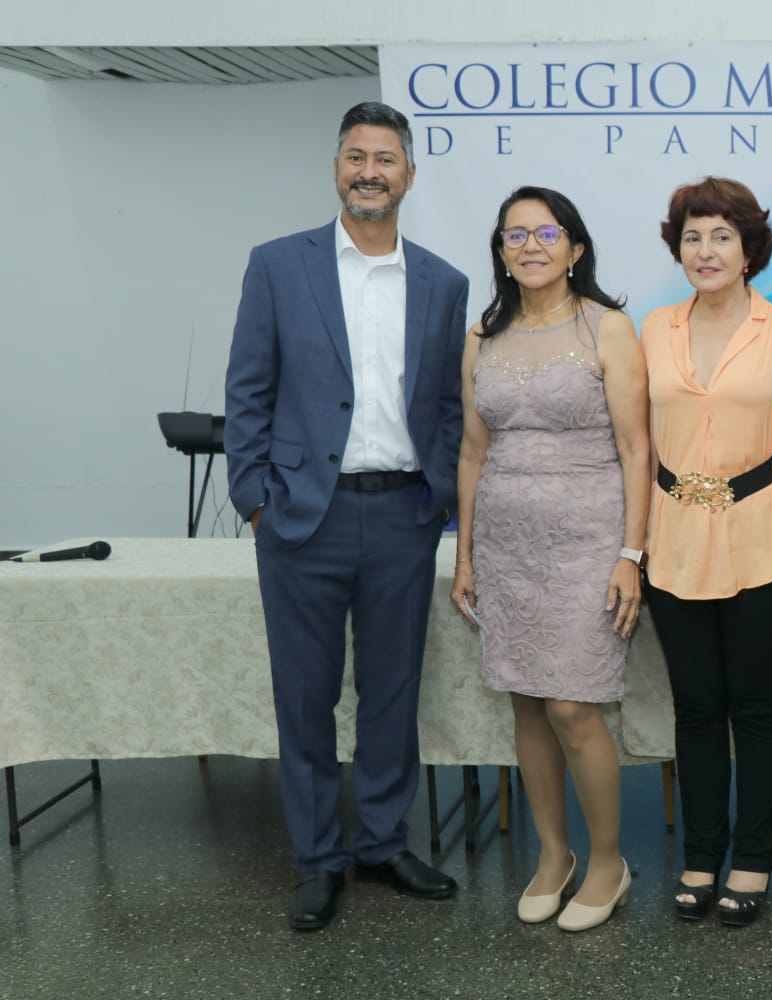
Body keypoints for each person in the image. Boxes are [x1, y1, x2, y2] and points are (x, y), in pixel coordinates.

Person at [224, 101, 468, 931]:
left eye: (385, 159)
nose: (370, 172)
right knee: (305, 696)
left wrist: (441, 496)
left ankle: (382, 844)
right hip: (301, 520)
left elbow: (448, 404)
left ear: (409, 175)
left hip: (403, 516)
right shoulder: (277, 266)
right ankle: (318, 858)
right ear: (337, 168)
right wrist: (255, 499)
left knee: (392, 693)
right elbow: (247, 389)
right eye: (356, 157)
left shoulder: (443, 282)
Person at [450, 187, 649, 932]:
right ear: (501, 252)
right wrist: (465, 555)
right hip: (505, 544)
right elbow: (473, 451)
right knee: (527, 701)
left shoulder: (608, 328)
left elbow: (636, 448)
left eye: (546, 233)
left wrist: (631, 554)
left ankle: (608, 862)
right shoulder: (482, 335)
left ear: (575, 248)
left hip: (590, 541)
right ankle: (553, 854)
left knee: (572, 704)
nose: (530, 246)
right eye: (515, 235)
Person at [640, 177, 772, 927]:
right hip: (672, 537)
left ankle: (753, 860)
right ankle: (700, 855)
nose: (706, 250)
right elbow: (634, 444)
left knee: (752, 705)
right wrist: (630, 545)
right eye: (692, 237)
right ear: (678, 249)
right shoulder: (653, 329)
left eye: (722, 235)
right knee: (695, 707)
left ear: (750, 248)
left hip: (763, 536)